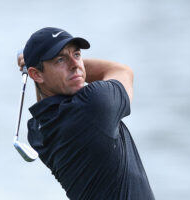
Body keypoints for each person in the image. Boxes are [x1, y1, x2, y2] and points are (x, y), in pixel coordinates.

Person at [17, 27, 155, 200]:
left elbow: (44, 94)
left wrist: (37, 65)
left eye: (77, 55)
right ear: (36, 74)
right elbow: (122, 71)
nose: (75, 64)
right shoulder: (94, 104)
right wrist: (75, 69)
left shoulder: (37, 129)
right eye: (60, 60)